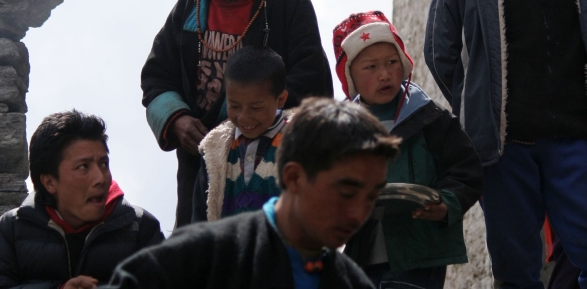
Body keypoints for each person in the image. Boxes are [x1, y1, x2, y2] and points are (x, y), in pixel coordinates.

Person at [424, 0, 587, 287]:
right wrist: (476, 104)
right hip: (505, 146)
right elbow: (440, 49)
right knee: (515, 267)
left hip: (576, 137)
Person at [141, 0, 333, 228]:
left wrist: (248, 120)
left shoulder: (286, 0)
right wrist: (177, 119)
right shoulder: (189, 6)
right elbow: (156, 77)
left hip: (272, 169)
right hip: (201, 171)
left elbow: (312, 81)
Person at [102, 98, 400, 289]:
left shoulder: (351, 284)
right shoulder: (207, 256)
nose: (359, 213)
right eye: (347, 192)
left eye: (372, 197)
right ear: (294, 177)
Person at [332, 11, 483, 288]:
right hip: (361, 258)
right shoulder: (341, 131)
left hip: (421, 255)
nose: (385, 74)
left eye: (391, 62)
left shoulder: (428, 117)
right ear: (350, 76)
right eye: (371, 67)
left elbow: (466, 170)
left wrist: (447, 204)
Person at [0, 111, 164, 289]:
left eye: (104, 163)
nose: (101, 178)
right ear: (49, 182)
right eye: (83, 167)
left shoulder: (140, 227)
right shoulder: (12, 229)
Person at [191, 46, 291, 222]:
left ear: (281, 99)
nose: (244, 117)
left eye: (256, 107)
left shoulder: (298, 145)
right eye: (234, 106)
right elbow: (200, 223)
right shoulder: (213, 151)